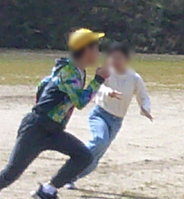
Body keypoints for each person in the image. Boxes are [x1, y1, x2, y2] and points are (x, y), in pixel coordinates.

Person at [0, 29, 108, 199]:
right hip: (36, 129)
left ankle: (48, 191)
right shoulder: (69, 71)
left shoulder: (76, 70)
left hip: (53, 130)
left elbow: (44, 87)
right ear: (85, 50)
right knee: (10, 174)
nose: (98, 52)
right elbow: (79, 101)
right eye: (96, 48)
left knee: (84, 156)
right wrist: (99, 80)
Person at [65, 42, 152, 189]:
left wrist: (145, 108)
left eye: (119, 58)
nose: (115, 61)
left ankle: (72, 176)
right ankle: (75, 161)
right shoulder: (107, 73)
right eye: (112, 57)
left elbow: (143, 96)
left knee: (97, 156)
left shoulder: (134, 78)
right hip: (100, 114)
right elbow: (99, 87)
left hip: (116, 121)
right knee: (100, 140)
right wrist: (108, 92)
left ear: (126, 59)